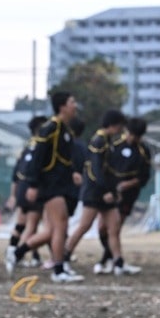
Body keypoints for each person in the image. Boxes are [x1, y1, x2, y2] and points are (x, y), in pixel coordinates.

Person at [7, 91, 82, 283]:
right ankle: (58, 270)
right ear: (63, 106)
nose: (75, 105)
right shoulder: (51, 127)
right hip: (49, 186)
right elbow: (39, 156)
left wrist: (72, 172)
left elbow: (61, 160)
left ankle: (17, 253)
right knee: (60, 225)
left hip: (60, 184)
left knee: (53, 229)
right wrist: (32, 184)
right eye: (72, 101)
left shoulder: (65, 130)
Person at [65, 110, 137, 274]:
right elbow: (96, 169)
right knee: (84, 226)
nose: (121, 130)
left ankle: (118, 262)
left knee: (114, 226)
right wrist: (105, 190)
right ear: (113, 125)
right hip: (95, 191)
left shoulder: (107, 140)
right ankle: (63, 258)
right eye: (120, 126)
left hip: (105, 191)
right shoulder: (99, 141)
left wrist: (112, 189)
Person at [97, 116, 149, 276]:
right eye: (130, 134)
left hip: (129, 194)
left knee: (115, 228)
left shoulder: (143, 151)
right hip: (110, 192)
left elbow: (144, 177)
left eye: (135, 136)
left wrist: (128, 184)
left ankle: (108, 261)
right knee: (102, 228)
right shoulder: (114, 145)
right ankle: (113, 259)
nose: (131, 138)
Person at [6, 115, 47, 270]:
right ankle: (16, 255)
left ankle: (17, 252)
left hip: (22, 188)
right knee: (31, 226)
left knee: (21, 224)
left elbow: (15, 174)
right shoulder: (40, 147)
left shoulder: (27, 147)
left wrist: (13, 195)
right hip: (32, 188)